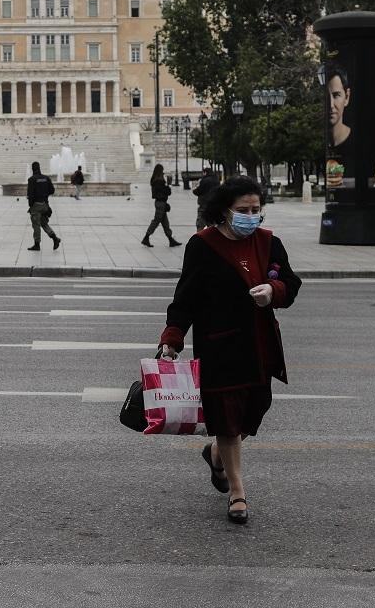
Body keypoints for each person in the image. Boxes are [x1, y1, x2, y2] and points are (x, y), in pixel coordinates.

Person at [156, 176, 302, 525]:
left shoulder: (269, 243)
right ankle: (238, 493)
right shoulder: (203, 245)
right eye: (243, 210)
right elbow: (186, 298)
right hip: (219, 347)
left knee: (252, 414)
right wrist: (172, 339)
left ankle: (216, 453)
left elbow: (291, 284)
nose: (251, 216)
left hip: (259, 346)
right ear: (224, 211)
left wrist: (274, 291)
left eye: (256, 210)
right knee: (227, 420)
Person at [141, 163, 181, 248]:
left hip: (160, 202)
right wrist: (168, 186)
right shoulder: (159, 180)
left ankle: (171, 240)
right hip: (161, 203)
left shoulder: (155, 180)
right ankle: (146, 237)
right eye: (162, 170)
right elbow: (166, 192)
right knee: (156, 221)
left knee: (165, 223)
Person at [26, 161, 61, 251]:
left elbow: (30, 195)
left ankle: (37, 244)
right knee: (43, 223)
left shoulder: (31, 179)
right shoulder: (46, 178)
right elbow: (52, 190)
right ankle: (55, 238)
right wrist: (44, 194)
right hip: (45, 204)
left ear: (33, 169)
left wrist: (31, 206)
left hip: (36, 205)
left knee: (36, 225)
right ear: (39, 168)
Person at [191, 167, 220, 231]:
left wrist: (194, 190)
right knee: (212, 225)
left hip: (204, 205)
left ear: (205, 172)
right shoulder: (216, 180)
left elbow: (198, 191)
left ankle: (199, 238)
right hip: (213, 205)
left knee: (200, 224)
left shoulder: (204, 180)